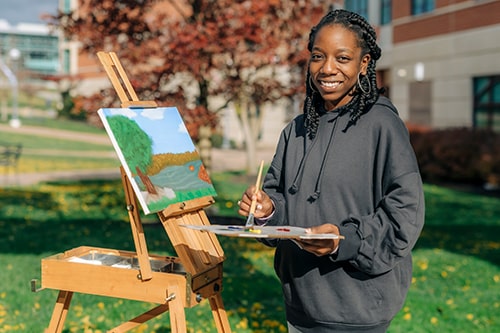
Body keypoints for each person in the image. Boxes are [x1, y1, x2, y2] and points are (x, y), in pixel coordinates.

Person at [237, 9, 425, 333]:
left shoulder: (383, 126)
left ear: (364, 64)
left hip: (357, 309)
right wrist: (267, 211)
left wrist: (342, 240)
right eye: (318, 56)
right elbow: (279, 198)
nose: (327, 68)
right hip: (299, 304)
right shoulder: (295, 130)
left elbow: (405, 215)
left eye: (342, 58)